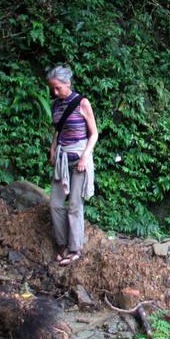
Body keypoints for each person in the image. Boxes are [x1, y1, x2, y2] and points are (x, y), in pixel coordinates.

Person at [47, 65, 98, 266]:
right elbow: (58, 130)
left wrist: (85, 157)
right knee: (56, 203)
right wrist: (53, 149)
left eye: (58, 88)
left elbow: (94, 133)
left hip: (79, 159)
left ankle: (75, 248)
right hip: (62, 158)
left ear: (67, 84)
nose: (55, 92)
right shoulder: (56, 105)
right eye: (52, 88)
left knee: (74, 205)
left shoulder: (82, 103)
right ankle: (62, 245)